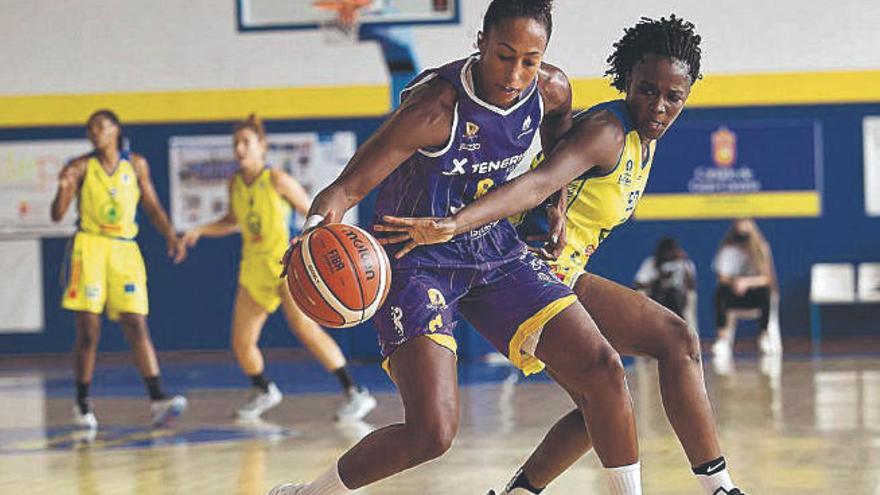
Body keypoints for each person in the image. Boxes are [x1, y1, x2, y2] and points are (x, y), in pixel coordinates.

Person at [270, 1, 643, 494]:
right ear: (481, 42)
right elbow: (346, 190)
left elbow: (557, 146)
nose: (515, 73)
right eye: (504, 55)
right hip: (413, 257)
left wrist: (555, 206)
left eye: (529, 60)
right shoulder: (433, 110)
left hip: (491, 245)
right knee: (433, 432)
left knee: (603, 369)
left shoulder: (551, 90)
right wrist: (313, 231)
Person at [376, 15, 747, 495]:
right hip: (525, 266)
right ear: (627, 80)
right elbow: (537, 182)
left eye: (672, 96)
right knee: (671, 343)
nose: (658, 105)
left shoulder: (642, 139)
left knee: (605, 397)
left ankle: (520, 492)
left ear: (688, 94)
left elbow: (553, 168)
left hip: (565, 269)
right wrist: (457, 222)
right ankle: (720, 488)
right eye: (647, 90)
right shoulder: (607, 132)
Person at [180, 114, 376, 421]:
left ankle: (355, 392)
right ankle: (263, 390)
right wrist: (199, 230)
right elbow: (231, 221)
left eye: (246, 142)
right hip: (253, 268)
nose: (240, 149)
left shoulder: (277, 180)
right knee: (242, 342)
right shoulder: (235, 183)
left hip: (286, 264)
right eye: (236, 144)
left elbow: (314, 213)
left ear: (262, 146)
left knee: (304, 328)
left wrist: (308, 241)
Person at [51, 109, 188, 429]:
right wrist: (63, 186)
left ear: (116, 130)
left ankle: (157, 399)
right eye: (90, 128)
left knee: (136, 324)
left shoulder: (136, 164)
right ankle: (82, 403)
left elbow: (152, 206)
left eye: (101, 126)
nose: (95, 132)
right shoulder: (80, 167)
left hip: (125, 248)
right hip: (91, 246)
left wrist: (171, 235)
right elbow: (58, 214)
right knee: (88, 330)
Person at [711, 218, 777, 357]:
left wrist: (747, 282)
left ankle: (763, 336)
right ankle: (722, 339)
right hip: (734, 293)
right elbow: (722, 277)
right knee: (720, 293)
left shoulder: (761, 250)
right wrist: (736, 282)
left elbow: (767, 278)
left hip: (755, 293)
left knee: (766, 293)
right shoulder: (727, 250)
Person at [634, 237, 696, 318]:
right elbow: (638, 283)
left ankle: (681, 322)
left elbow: (692, 285)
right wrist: (659, 278)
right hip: (656, 296)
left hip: (679, 298)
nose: (669, 254)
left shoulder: (683, 263)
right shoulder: (651, 263)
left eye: (671, 251)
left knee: (674, 294)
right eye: (666, 251)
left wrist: (684, 268)